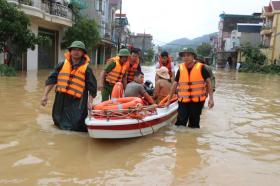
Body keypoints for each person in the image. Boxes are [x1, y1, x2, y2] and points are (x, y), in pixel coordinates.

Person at [41, 41, 97, 132]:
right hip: (61, 98)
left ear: (83, 53)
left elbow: (92, 87)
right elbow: (51, 79)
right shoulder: (62, 65)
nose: (76, 52)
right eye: (74, 49)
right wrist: (45, 95)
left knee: (76, 125)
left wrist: (90, 103)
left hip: (77, 100)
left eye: (79, 50)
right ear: (70, 51)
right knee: (57, 121)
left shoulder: (87, 69)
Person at [166, 47, 214, 128]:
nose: (185, 57)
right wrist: (169, 100)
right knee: (180, 123)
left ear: (193, 56)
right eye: (184, 56)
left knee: (194, 124)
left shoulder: (202, 68)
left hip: (197, 101)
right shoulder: (180, 69)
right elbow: (175, 84)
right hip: (183, 101)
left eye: (188, 55)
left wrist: (211, 98)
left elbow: (209, 82)